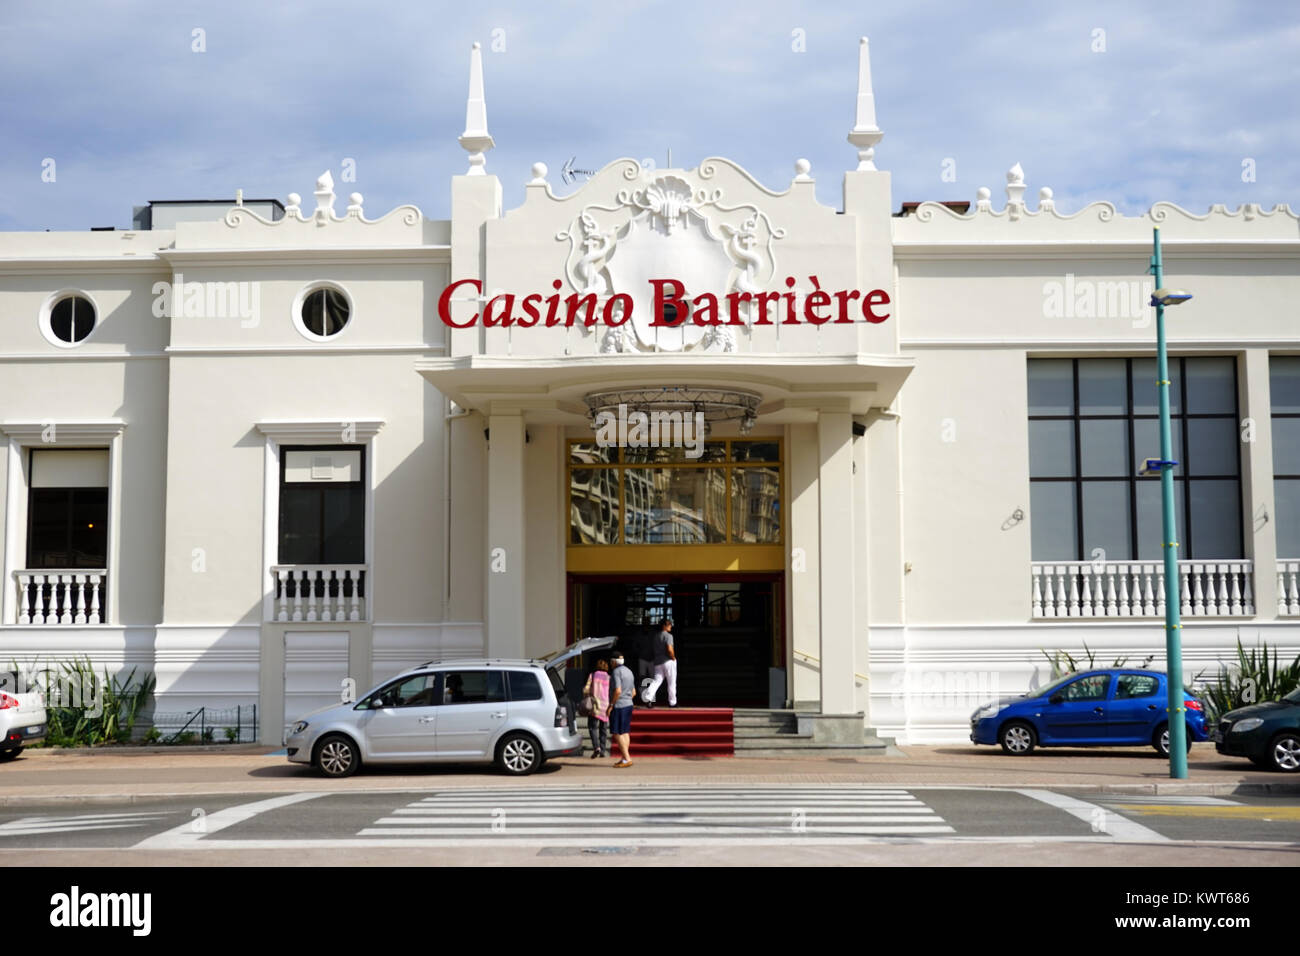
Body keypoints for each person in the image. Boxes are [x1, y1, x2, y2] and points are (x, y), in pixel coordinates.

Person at [607, 653, 636, 768]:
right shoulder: (629, 671)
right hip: (629, 704)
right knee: (625, 732)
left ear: (614, 662)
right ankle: (624, 758)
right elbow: (634, 692)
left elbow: (617, 691)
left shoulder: (616, 672)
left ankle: (627, 758)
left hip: (619, 706)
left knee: (617, 732)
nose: (610, 664)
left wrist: (611, 705)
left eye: (611, 662)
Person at [642, 619, 677, 708]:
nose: (671, 626)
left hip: (657, 661)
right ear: (664, 626)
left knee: (656, 681)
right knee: (671, 682)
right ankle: (672, 702)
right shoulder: (668, 636)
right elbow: (669, 649)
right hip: (668, 661)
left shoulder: (655, 636)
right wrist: (673, 657)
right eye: (669, 624)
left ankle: (648, 697)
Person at [583, 659, 611, 758]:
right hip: (605, 706)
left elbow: (586, 689)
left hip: (595, 706)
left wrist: (588, 693)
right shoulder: (609, 677)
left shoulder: (593, 675)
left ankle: (596, 747)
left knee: (592, 727)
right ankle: (603, 750)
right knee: (603, 729)